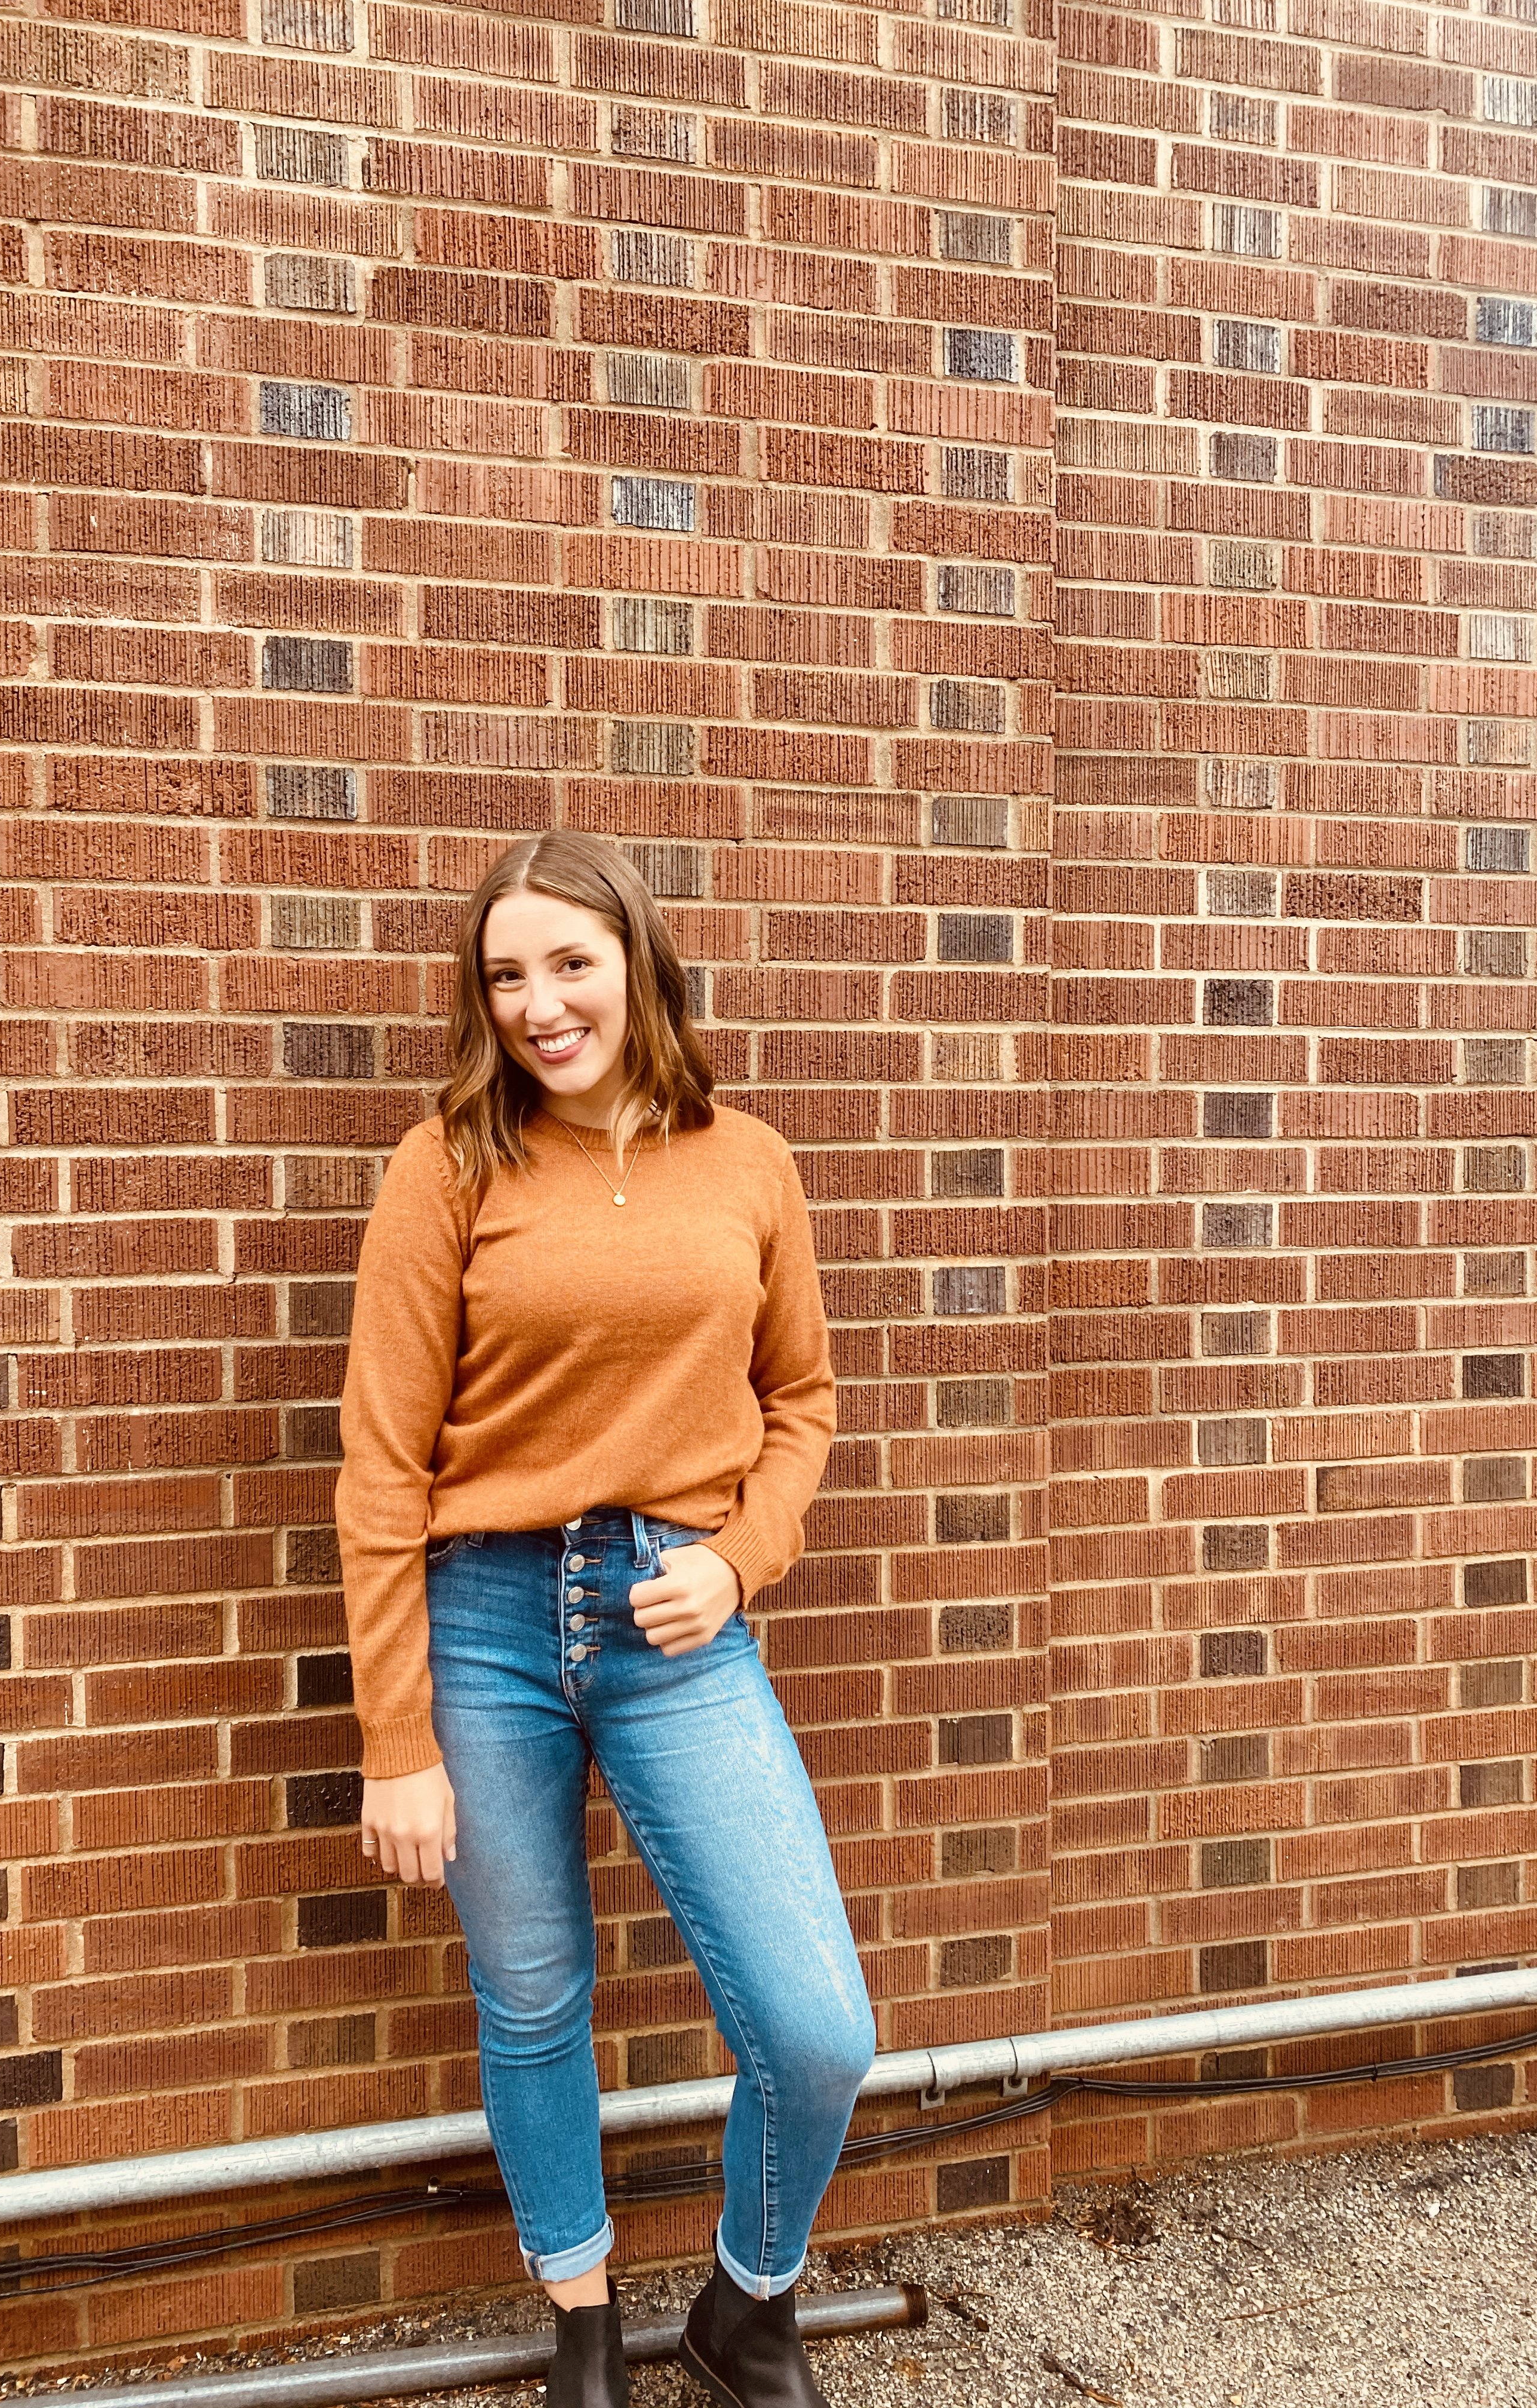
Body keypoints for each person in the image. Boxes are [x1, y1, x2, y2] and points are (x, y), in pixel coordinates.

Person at [336, 829, 878, 2408]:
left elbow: (804, 1405)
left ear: (639, 960)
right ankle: (584, 2324)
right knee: (531, 1997)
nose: (538, 1003)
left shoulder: (748, 1161)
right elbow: (382, 1463)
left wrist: (738, 1558)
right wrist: (396, 1738)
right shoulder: (451, 1161)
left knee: (816, 2027)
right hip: (484, 1626)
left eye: (568, 962)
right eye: (505, 974)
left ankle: (746, 2306)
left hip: (677, 1625)